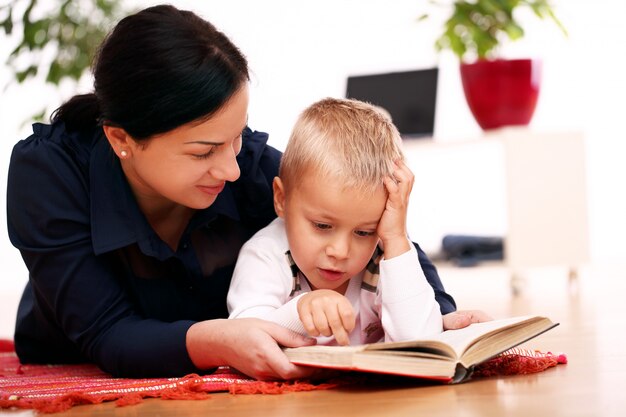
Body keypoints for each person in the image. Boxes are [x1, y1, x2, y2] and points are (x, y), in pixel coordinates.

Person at [6, 4, 485, 380]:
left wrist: (435, 319)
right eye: (204, 151)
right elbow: (108, 335)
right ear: (121, 140)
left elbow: (367, 225)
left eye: (237, 136)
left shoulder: (254, 169)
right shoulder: (48, 175)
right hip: (72, 360)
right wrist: (221, 339)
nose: (231, 168)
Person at [228, 98, 443, 346]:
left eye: (364, 232)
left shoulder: (384, 255)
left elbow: (424, 344)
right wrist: (301, 311)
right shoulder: (266, 254)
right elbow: (245, 336)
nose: (340, 251)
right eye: (322, 226)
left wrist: (395, 239)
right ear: (281, 199)